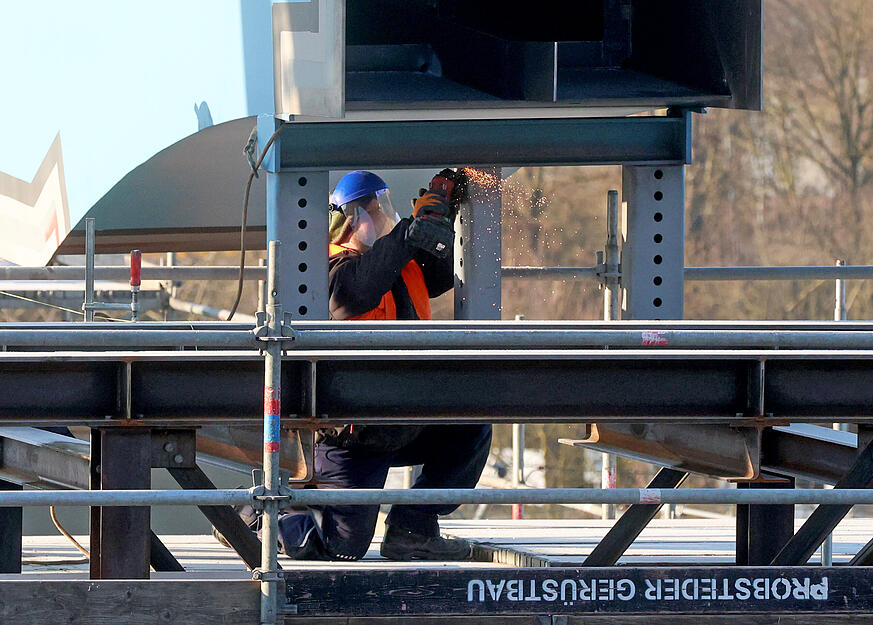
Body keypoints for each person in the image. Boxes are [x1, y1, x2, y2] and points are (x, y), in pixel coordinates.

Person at [276, 170, 492, 561]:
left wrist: (445, 211)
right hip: (353, 439)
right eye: (377, 211)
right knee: (340, 548)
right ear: (354, 217)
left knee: (470, 424)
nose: (384, 218)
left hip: (403, 421)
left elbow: (436, 269)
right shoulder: (330, 272)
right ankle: (255, 516)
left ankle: (414, 529)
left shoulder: (398, 265)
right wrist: (410, 231)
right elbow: (355, 290)